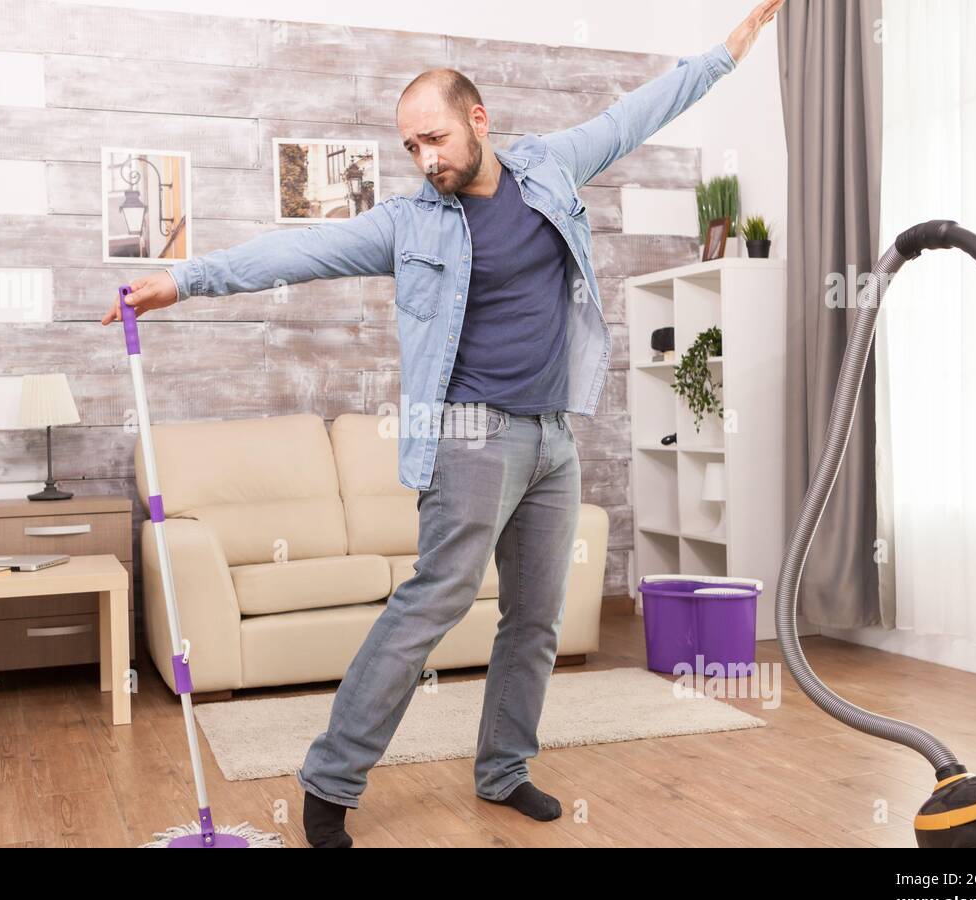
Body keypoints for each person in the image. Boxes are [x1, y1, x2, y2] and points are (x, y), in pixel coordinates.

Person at [104, 0, 784, 847]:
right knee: (434, 600)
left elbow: (638, 112)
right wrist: (187, 279)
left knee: (535, 613)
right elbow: (297, 252)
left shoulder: (552, 168)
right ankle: (329, 778)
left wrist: (725, 54)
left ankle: (504, 768)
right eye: (412, 147)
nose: (426, 160)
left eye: (436, 140)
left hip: (552, 436)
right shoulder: (410, 223)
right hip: (470, 434)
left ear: (478, 120)